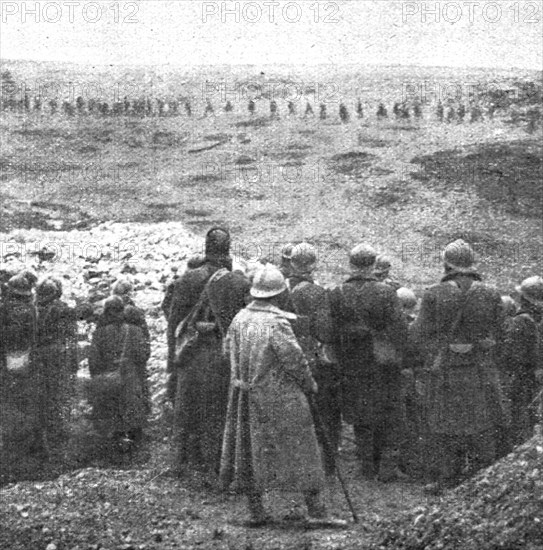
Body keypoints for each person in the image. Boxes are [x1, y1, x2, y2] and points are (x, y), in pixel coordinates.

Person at [220, 264, 343, 527]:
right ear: (279, 294)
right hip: (278, 396)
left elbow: (226, 351)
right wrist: (310, 385)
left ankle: (256, 511)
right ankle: (316, 510)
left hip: (244, 396)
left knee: (249, 450)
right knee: (302, 447)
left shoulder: (239, 319)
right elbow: (295, 360)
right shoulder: (277, 323)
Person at [410, 239, 507, 493]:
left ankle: (447, 478)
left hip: (446, 369)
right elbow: (501, 334)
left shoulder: (433, 293)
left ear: (446, 264)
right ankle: (480, 478)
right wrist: (478, 346)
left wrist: (443, 350)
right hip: (480, 368)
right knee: (481, 422)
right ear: (472, 264)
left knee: (444, 423)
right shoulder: (491, 293)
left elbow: (419, 335)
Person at [169, 227, 250, 474]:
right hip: (224, 356)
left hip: (191, 355)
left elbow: (174, 324)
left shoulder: (188, 278)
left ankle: (184, 464)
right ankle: (218, 467)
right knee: (218, 413)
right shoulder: (238, 281)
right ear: (228, 249)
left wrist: (172, 363)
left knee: (187, 411)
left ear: (206, 248)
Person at [330, 244, 408, 481]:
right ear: (374, 265)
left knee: (360, 413)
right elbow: (399, 330)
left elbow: (327, 330)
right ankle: (387, 467)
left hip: (351, 361)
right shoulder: (385, 292)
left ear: (351, 265)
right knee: (389, 411)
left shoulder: (336, 292)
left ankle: (366, 466)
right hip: (382, 361)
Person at [287, 243, 341, 476]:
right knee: (326, 412)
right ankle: (327, 463)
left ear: (291, 263)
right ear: (313, 265)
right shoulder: (317, 292)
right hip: (314, 358)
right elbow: (325, 329)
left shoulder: (279, 288)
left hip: (287, 356)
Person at [88, 296, 150, 450]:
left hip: (108, 380)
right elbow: (143, 356)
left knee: (112, 418)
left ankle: (112, 452)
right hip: (130, 379)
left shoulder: (99, 334)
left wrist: (100, 376)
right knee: (132, 416)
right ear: (123, 310)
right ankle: (136, 452)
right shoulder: (135, 331)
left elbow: (93, 362)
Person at [0, 273, 42, 456]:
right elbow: (34, 335)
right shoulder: (31, 309)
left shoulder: (4, 309)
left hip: (7, 359)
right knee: (27, 401)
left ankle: (12, 445)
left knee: (10, 402)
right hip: (26, 358)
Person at [35, 278, 78, 453]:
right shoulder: (64, 310)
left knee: (42, 396)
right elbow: (71, 338)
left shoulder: (33, 308)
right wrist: (73, 362)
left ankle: (44, 436)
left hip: (38, 357)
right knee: (59, 395)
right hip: (59, 357)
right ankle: (58, 435)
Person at [501, 276, 543, 447]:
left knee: (520, 413)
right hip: (536, 375)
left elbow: (511, 353)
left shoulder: (520, 321)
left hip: (522, 375)